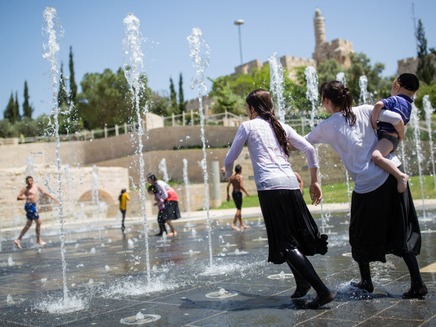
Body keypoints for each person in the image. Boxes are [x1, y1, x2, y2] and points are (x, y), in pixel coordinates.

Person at [305, 80, 427, 299]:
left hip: (367, 183)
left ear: (326, 100)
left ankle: (366, 281)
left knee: (359, 234)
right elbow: (398, 119)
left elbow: (303, 142)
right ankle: (417, 283)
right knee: (399, 230)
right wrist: (400, 135)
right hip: (391, 174)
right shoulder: (366, 110)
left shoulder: (328, 125)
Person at [224, 89, 333, 309]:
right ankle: (302, 283)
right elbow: (310, 149)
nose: (247, 112)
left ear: (252, 109)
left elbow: (230, 158)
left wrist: (228, 175)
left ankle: (322, 291)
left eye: (247, 108)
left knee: (285, 244)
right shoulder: (280, 125)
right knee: (291, 237)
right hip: (291, 185)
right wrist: (314, 181)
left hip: (271, 188)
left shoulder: (248, 126)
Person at [371, 73, 420, 193]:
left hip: (387, 137)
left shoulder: (396, 99)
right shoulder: (408, 106)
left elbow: (378, 105)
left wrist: (373, 121)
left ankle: (400, 176)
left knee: (376, 156)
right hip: (393, 139)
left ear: (397, 86)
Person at [14, 176, 57, 249]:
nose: (29, 183)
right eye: (28, 182)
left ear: (32, 181)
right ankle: (38, 240)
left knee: (28, 224)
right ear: (26, 182)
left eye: (31, 181)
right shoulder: (25, 189)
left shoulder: (36, 186)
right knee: (39, 222)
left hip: (33, 206)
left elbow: (43, 192)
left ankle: (18, 239)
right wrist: (26, 197)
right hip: (29, 206)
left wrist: (51, 196)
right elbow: (18, 197)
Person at [147, 173, 181, 237]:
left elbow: (165, 195)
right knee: (161, 218)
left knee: (166, 217)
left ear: (151, 179)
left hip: (171, 198)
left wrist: (159, 202)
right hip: (167, 199)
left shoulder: (158, 184)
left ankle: (173, 231)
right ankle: (163, 232)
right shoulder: (156, 185)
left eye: (148, 179)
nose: (147, 181)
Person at [226, 164, 250, 230]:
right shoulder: (240, 177)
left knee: (239, 208)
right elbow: (241, 186)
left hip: (233, 193)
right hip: (238, 193)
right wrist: (246, 193)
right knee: (238, 209)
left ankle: (241, 224)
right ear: (240, 170)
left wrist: (228, 195)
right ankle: (233, 224)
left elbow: (228, 186)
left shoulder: (232, 177)